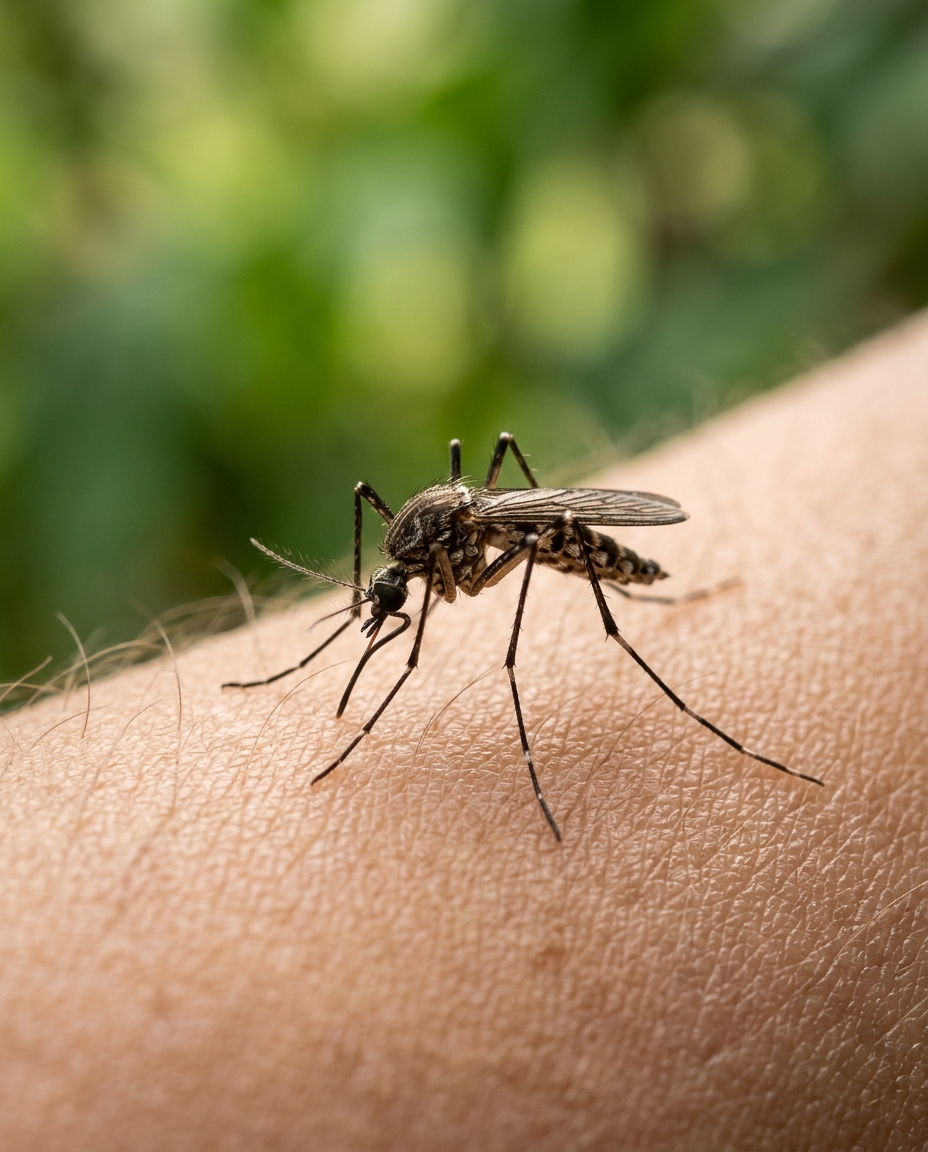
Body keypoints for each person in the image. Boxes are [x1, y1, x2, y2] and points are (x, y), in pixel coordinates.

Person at [2, 316, 925, 1150]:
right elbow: (396, 562)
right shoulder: (399, 549)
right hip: (482, 530)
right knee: (455, 504)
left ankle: (654, 658)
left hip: (540, 534)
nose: (390, 607)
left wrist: (507, 588)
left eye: (385, 598)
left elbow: (459, 578)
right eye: (384, 596)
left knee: (519, 547)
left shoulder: (445, 546)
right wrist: (360, 609)